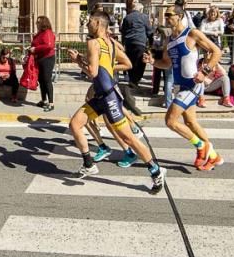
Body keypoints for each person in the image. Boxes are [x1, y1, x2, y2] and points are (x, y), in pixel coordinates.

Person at [68, 10, 164, 194]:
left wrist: (78, 61)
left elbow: (93, 73)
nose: (87, 24)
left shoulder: (93, 43)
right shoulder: (111, 43)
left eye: (89, 21)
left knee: (129, 138)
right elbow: (126, 63)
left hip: (109, 98)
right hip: (101, 97)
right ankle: (88, 164)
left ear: (97, 23)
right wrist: (107, 67)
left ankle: (156, 171)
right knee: (75, 124)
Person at [145, 6, 224, 171]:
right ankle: (214, 156)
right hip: (179, 86)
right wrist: (152, 62)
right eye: (165, 15)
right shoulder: (170, 40)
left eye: (169, 15)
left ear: (180, 16)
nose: (166, 18)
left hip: (192, 85)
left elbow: (216, 51)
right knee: (190, 122)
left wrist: (205, 72)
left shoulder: (192, 34)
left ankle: (201, 145)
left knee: (170, 121)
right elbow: (166, 64)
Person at [120, 0, 152, 88]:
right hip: (140, 42)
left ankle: (132, 80)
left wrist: (122, 44)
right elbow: (149, 31)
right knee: (141, 62)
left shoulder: (127, 18)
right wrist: (151, 44)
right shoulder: (144, 17)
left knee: (130, 61)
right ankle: (136, 80)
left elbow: (123, 32)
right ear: (140, 9)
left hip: (129, 43)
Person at [29, 16, 56, 112]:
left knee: (47, 80)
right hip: (40, 58)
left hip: (47, 58)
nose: (37, 24)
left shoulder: (47, 33)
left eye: (38, 22)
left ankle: (51, 103)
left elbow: (49, 45)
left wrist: (35, 49)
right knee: (41, 80)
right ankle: (44, 100)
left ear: (44, 23)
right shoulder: (40, 33)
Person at [149, 22, 174, 108]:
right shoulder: (170, 34)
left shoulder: (157, 34)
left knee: (157, 74)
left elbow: (154, 45)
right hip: (168, 56)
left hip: (158, 55)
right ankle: (166, 96)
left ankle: (155, 90)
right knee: (168, 79)